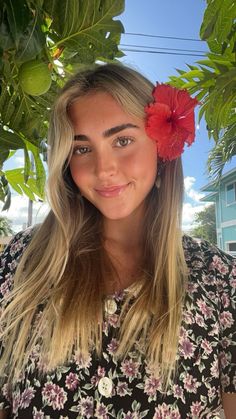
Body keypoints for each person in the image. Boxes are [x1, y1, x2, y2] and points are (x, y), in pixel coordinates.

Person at [0, 63, 235, 419]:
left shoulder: (220, 279)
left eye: (122, 140)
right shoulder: (22, 261)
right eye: (81, 149)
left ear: (162, 146)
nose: (103, 168)